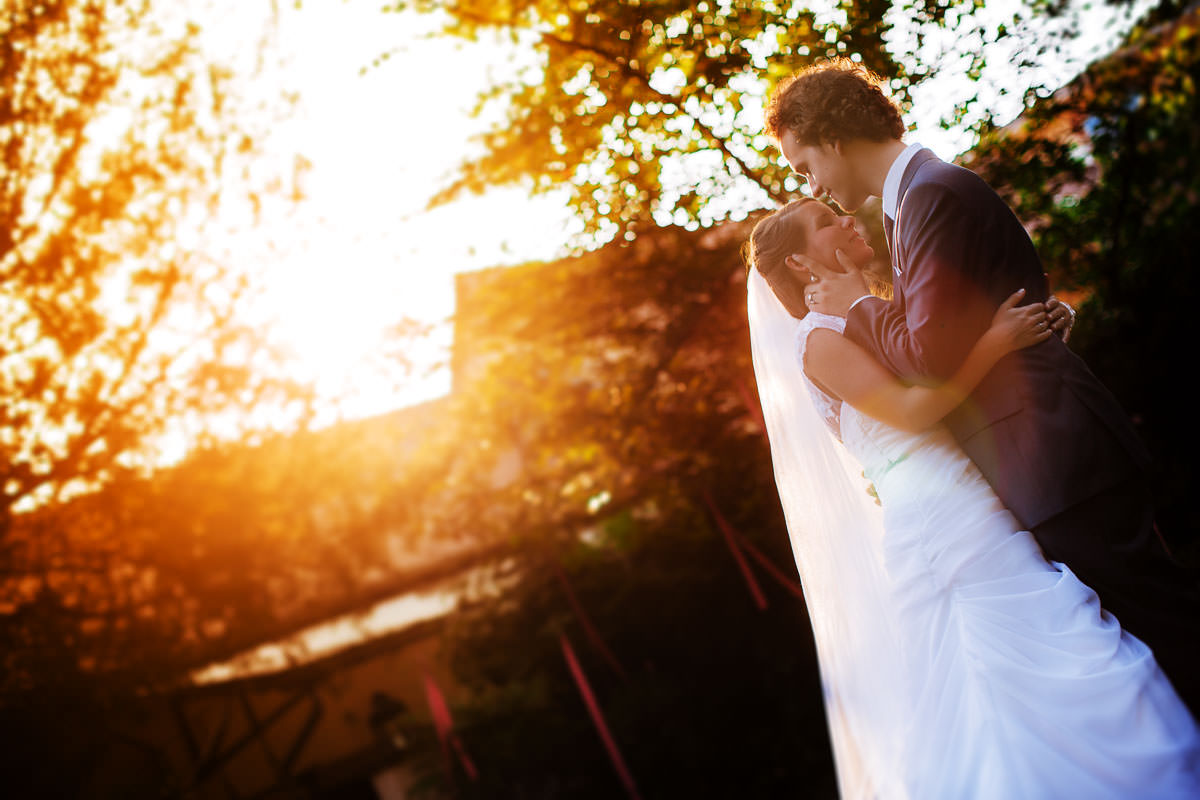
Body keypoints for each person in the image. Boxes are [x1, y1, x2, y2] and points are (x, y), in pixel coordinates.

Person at [763, 58, 1200, 718]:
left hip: (1054, 457)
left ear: (830, 137)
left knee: (1165, 625)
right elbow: (969, 328)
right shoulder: (916, 203)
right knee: (1152, 632)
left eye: (805, 166)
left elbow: (931, 352)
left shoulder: (932, 194)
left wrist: (858, 304)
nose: (814, 185)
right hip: (1043, 456)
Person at [746, 196, 1200, 798]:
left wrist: (1033, 331)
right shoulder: (818, 342)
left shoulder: (875, 310)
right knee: (1005, 650)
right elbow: (913, 411)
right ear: (803, 265)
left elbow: (938, 365)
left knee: (1033, 651)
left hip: (973, 498)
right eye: (828, 222)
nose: (847, 220)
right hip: (939, 519)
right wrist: (997, 342)